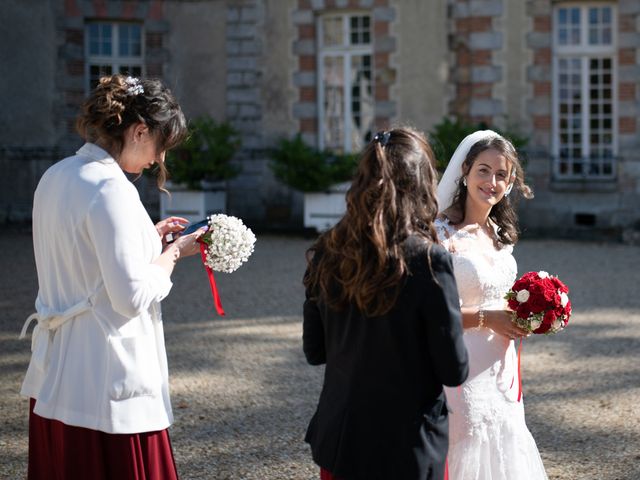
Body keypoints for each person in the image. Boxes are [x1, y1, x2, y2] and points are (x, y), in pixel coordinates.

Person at [20, 74, 205, 479]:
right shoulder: (110, 188)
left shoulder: (56, 175)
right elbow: (130, 296)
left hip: (55, 373)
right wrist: (174, 252)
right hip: (104, 374)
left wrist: (148, 239)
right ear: (140, 131)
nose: (158, 160)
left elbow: (80, 253)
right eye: (160, 147)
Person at [303, 127, 469, 480]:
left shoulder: (326, 251)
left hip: (342, 439)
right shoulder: (429, 260)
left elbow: (315, 350)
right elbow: (453, 370)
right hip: (407, 446)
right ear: (422, 185)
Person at [435, 130, 548, 479]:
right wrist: (488, 318)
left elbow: (503, 298)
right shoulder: (441, 234)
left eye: (501, 174)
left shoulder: (501, 235)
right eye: (483, 170)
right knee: (467, 447)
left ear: (510, 181)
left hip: (503, 367)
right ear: (465, 170)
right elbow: (435, 314)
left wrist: (531, 315)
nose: (492, 181)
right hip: (461, 368)